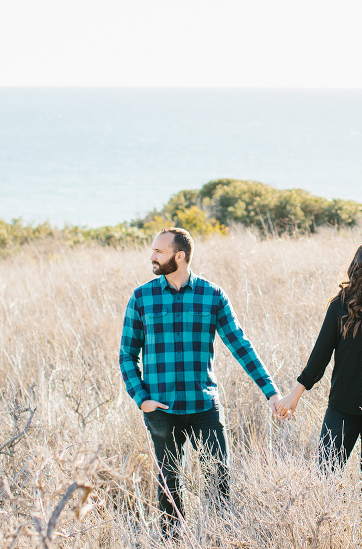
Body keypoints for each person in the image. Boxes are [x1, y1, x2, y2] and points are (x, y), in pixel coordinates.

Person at [120, 227, 281, 537]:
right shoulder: (142, 297)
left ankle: (220, 540)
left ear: (179, 256)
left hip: (204, 407)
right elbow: (127, 355)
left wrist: (270, 391)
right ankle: (172, 542)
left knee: (219, 483)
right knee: (169, 488)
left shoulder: (212, 295)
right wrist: (141, 398)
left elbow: (239, 345)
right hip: (161, 410)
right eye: (153, 250)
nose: (151, 256)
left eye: (159, 252)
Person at [275, 240, 362, 496]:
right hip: (343, 406)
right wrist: (295, 394)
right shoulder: (340, 307)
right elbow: (320, 355)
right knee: (326, 474)